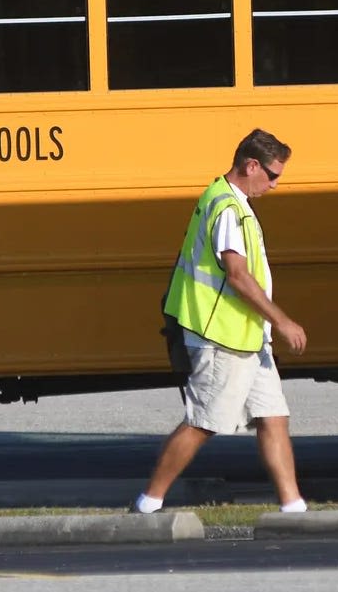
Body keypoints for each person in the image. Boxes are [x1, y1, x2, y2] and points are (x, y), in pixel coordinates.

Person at [132, 128, 309, 514]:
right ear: (251, 165)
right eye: (273, 175)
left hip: (247, 336)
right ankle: (149, 502)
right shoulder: (228, 208)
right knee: (203, 422)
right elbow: (238, 275)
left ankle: (293, 507)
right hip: (221, 336)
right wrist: (282, 321)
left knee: (273, 416)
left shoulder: (227, 199)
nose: (276, 185)